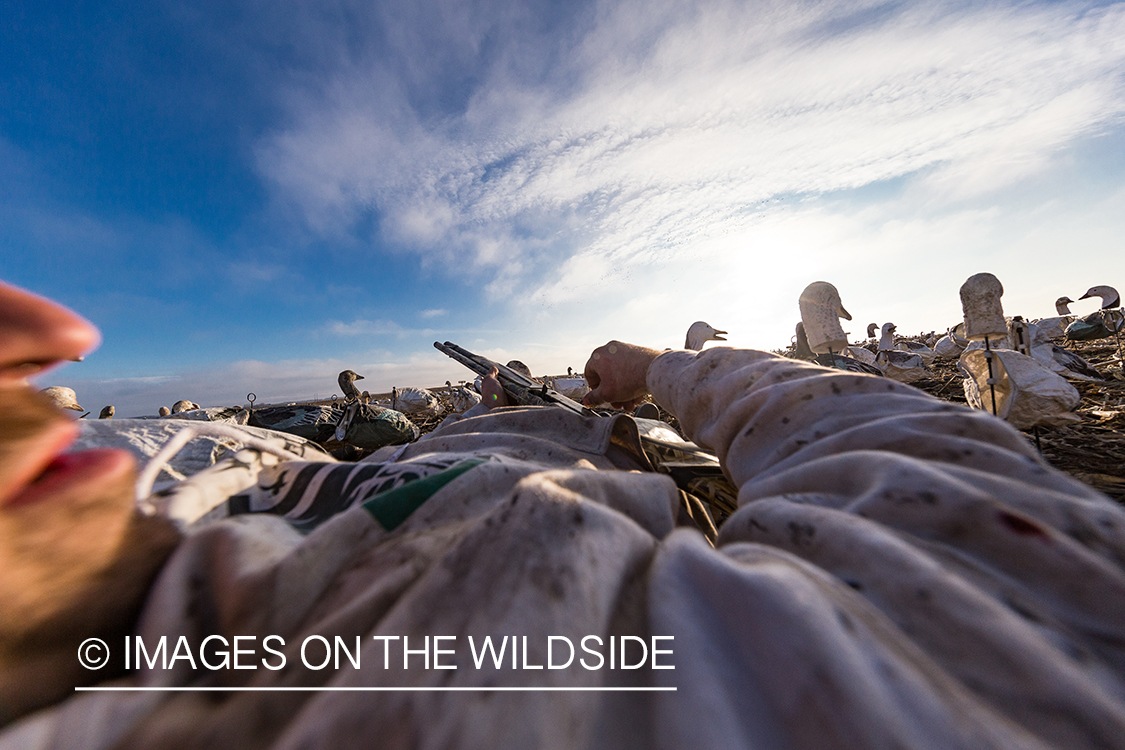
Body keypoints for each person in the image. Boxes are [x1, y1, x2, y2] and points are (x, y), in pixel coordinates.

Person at [2, 278, 1125, 749]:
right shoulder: (521, 664)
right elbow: (923, 472)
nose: (54, 336)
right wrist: (661, 371)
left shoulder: (156, 598)